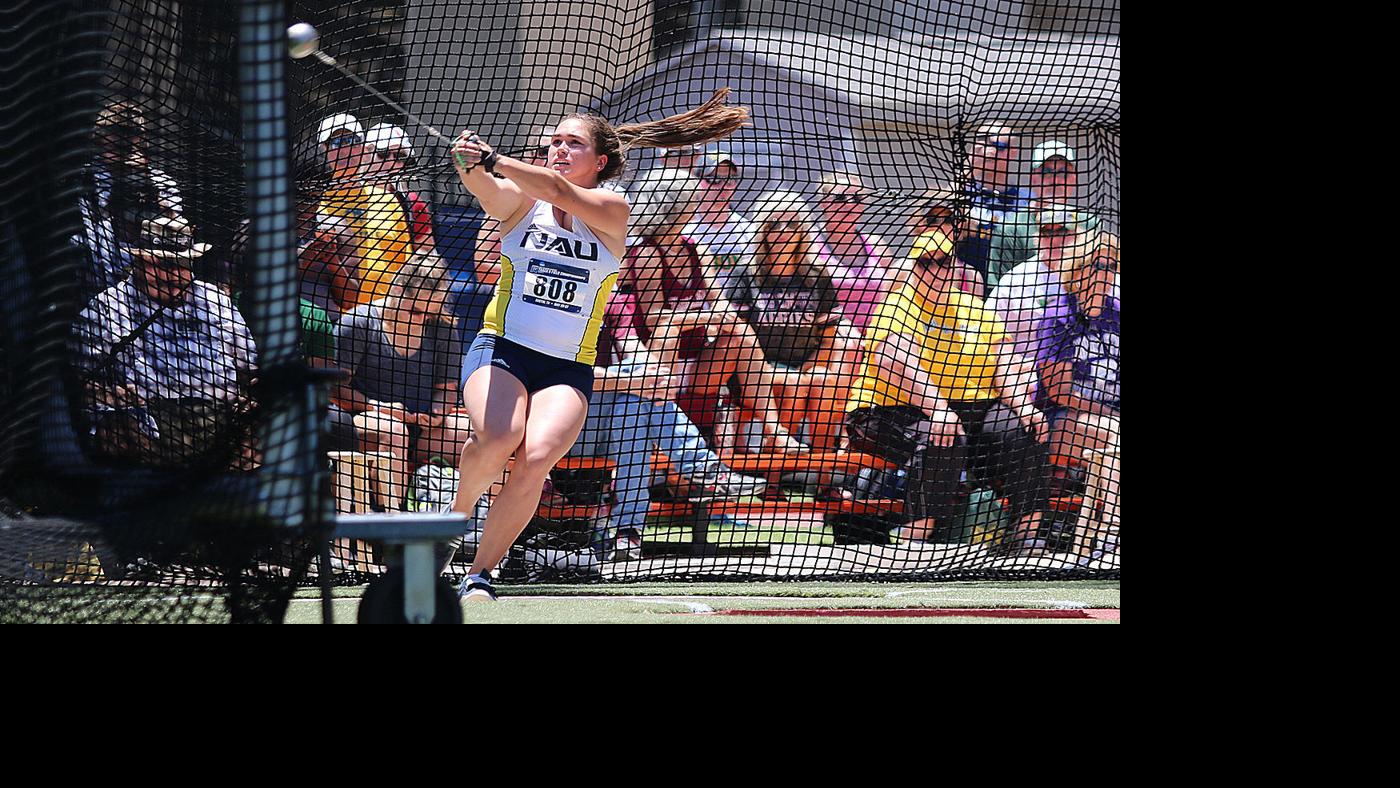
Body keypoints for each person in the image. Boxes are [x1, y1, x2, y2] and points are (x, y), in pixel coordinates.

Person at [446, 88, 749, 601]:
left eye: (572, 144)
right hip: (502, 348)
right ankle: (451, 523)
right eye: (553, 143)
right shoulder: (523, 203)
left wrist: (496, 157)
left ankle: (480, 574)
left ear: (600, 161)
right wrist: (469, 163)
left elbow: (562, 194)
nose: (559, 150)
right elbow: (487, 190)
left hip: (567, 367)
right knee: (499, 437)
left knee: (536, 456)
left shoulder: (611, 208)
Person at [843, 224, 1052, 556]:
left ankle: (1025, 536)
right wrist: (938, 408)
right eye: (926, 263)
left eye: (943, 261)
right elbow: (893, 359)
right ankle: (915, 544)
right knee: (944, 435)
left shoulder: (976, 308)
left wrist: (1025, 408)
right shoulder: (896, 307)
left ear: (955, 265)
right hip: (889, 409)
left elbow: (1005, 365)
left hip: (972, 408)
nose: (936, 269)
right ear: (913, 268)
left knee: (1026, 432)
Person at [621, 168, 807, 454]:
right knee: (668, 331)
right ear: (674, 205)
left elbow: (719, 300)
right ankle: (662, 433)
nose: (696, 204)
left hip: (700, 362)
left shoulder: (696, 249)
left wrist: (723, 313)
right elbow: (655, 316)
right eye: (690, 199)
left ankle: (774, 430)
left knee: (741, 332)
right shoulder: (647, 254)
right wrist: (707, 317)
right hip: (660, 358)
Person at [567, 317, 767, 561]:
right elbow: (568, 374)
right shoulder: (564, 298)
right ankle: (704, 468)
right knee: (634, 390)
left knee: (633, 403)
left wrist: (657, 379)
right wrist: (636, 381)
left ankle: (627, 533)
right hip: (567, 429)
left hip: (614, 430)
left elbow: (635, 350)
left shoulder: (613, 297)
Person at [72, 215, 257, 469]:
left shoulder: (215, 302)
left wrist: (255, 403)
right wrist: (110, 397)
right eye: (162, 263)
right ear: (139, 260)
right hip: (147, 426)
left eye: (181, 264)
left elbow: (250, 369)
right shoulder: (106, 308)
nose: (172, 274)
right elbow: (78, 386)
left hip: (221, 424)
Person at [723, 190, 864, 452]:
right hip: (754, 370)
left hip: (804, 365)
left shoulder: (817, 276)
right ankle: (773, 475)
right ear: (763, 230)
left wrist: (805, 370)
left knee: (824, 382)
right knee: (794, 387)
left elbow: (829, 337)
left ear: (803, 230)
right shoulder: (746, 273)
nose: (783, 231)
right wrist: (773, 371)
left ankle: (823, 474)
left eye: (792, 224)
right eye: (775, 224)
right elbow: (735, 332)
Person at [335, 253, 469, 505]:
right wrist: (379, 408)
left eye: (429, 313)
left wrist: (439, 411)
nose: (422, 319)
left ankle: (469, 529)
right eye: (416, 310)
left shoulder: (442, 328)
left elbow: (447, 388)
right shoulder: (358, 322)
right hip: (364, 420)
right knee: (395, 432)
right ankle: (396, 527)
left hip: (424, 427)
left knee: (479, 436)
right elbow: (337, 390)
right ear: (397, 290)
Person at [75, 100, 185, 296]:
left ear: (141, 138)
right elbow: (89, 227)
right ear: (100, 136)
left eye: (131, 133)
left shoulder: (161, 181)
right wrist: (120, 186)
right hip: (93, 281)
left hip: (146, 285)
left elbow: (177, 229)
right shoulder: (84, 179)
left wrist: (148, 186)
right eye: (116, 132)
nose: (123, 141)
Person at [1035, 232, 1119, 463]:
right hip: (1062, 417)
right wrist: (1112, 414)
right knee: (1116, 436)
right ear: (1077, 268)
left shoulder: (1118, 312)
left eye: (1112, 266)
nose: (1106, 274)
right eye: (1098, 265)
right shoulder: (1058, 317)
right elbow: (1059, 393)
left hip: (1111, 412)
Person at [315, 113, 416, 306]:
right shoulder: (316, 205)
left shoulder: (388, 201)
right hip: (338, 317)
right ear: (324, 150)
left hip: (387, 315)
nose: (345, 150)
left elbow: (406, 265)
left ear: (363, 147)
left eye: (351, 140)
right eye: (336, 142)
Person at [987, 141, 1100, 289]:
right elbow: (996, 291)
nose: (1055, 180)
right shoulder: (1010, 228)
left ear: (1074, 178)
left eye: (1063, 172)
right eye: (1046, 172)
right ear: (1034, 178)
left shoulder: (1091, 224)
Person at [813, 172, 896, 332]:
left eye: (857, 199)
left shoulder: (877, 245)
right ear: (823, 202)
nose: (850, 204)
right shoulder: (811, 245)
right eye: (840, 198)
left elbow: (895, 294)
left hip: (878, 337)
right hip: (834, 339)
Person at [958, 124, 1029, 295]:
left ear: (1013, 153)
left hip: (1007, 292)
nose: (987, 150)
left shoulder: (1025, 199)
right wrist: (969, 167)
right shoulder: (961, 192)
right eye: (982, 143)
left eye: (996, 145)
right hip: (966, 287)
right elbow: (939, 213)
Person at [681, 150, 755, 288]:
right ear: (697, 182)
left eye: (730, 180)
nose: (723, 188)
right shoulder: (682, 230)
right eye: (714, 180)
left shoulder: (748, 231)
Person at [364, 122, 438, 255]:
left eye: (400, 156)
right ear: (366, 153)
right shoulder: (349, 193)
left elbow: (427, 250)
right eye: (384, 153)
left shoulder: (412, 202)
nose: (392, 162)